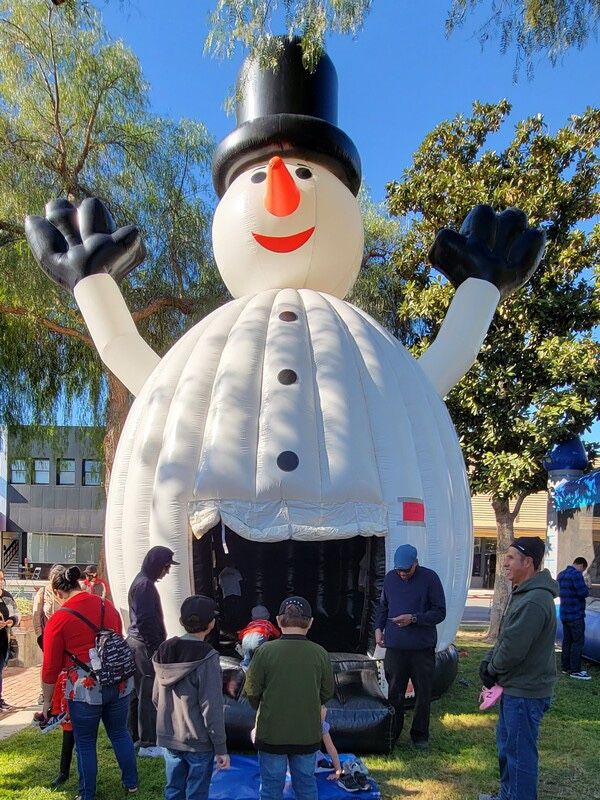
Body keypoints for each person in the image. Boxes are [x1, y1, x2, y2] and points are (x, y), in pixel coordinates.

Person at [41, 565, 138, 800]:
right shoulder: (107, 606)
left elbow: (50, 668)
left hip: (85, 689)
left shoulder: (59, 619)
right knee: (120, 733)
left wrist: (46, 703)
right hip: (118, 682)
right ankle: (132, 784)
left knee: (85, 742)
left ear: (57, 591)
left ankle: (87, 794)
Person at [478, 536, 558, 800]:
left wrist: (492, 669)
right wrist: (489, 662)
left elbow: (513, 648)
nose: (505, 564)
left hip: (525, 693)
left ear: (529, 562)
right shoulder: (525, 593)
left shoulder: (534, 600)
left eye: (511, 558)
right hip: (515, 688)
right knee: (508, 749)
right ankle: (507, 796)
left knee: (520, 755)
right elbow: (506, 637)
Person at [244, 596, 334, 800]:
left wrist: (265, 708)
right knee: (306, 786)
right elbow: (327, 692)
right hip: (307, 734)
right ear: (310, 622)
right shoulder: (319, 653)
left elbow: (251, 691)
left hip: (271, 733)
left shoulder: (265, 651)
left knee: (270, 788)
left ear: (277, 620)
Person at [153, 595, 230, 800]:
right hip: (198, 739)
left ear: (181, 621)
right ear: (211, 624)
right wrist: (221, 748)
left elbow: (155, 697)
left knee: (173, 789)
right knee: (197, 792)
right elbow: (211, 705)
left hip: (170, 736)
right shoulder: (208, 657)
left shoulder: (164, 649)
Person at [374, 544, 446, 749]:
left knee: (423, 692)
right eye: (399, 570)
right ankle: (393, 732)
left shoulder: (430, 578)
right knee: (394, 690)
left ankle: (420, 735)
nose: (403, 574)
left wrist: (414, 618)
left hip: (422, 648)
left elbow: (440, 612)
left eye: (407, 570)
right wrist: (378, 628)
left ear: (416, 563)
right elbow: (383, 606)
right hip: (395, 646)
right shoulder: (390, 578)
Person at [127, 545, 179, 757]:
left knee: (136, 693)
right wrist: (156, 648)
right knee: (147, 692)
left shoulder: (142, 582)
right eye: (166, 567)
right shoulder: (145, 586)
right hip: (143, 645)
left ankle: (134, 736)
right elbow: (146, 621)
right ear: (158, 565)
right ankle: (148, 742)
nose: (166, 572)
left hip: (137, 642)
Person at [32, 563, 76, 787]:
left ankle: (66, 772)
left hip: (71, 668)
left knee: (70, 720)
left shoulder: (73, 604)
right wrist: (43, 639)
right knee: (67, 716)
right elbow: (37, 617)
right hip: (55, 652)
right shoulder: (44, 594)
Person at [558, 556, 591, 680]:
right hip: (576, 615)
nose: (582, 572)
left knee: (567, 641)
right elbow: (583, 593)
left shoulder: (561, 574)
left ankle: (565, 667)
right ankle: (575, 670)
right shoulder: (576, 575)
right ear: (581, 565)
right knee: (577, 642)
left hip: (564, 614)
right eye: (583, 570)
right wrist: (587, 584)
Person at [0, 569, 20, 710]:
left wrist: (10, 621)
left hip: (2, 639)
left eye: (2, 578)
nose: (1, 582)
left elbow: (16, 613)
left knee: (0, 670)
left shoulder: (7, 596)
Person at [238, 605, 280, 669]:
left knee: (247, 659)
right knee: (260, 658)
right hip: (259, 639)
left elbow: (241, 635)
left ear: (252, 617)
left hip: (246, 640)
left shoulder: (251, 624)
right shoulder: (267, 623)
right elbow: (277, 634)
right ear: (267, 616)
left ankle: (245, 670)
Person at [218, 559, 243, 634]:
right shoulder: (235, 572)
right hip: (236, 594)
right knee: (237, 614)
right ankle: (237, 631)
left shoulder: (221, 573)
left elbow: (220, 585)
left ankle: (230, 632)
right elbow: (241, 581)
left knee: (229, 615)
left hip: (226, 596)